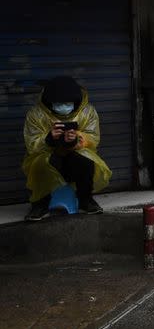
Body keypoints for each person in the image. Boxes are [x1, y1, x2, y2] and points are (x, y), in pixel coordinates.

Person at [22, 76, 112, 221]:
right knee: (40, 164)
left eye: (67, 103)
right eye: (58, 104)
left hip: (74, 156)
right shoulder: (36, 114)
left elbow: (93, 137)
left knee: (86, 161)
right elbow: (31, 142)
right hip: (48, 156)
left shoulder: (87, 112)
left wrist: (76, 139)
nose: (63, 107)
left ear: (75, 101)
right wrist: (49, 139)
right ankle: (39, 204)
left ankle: (86, 200)